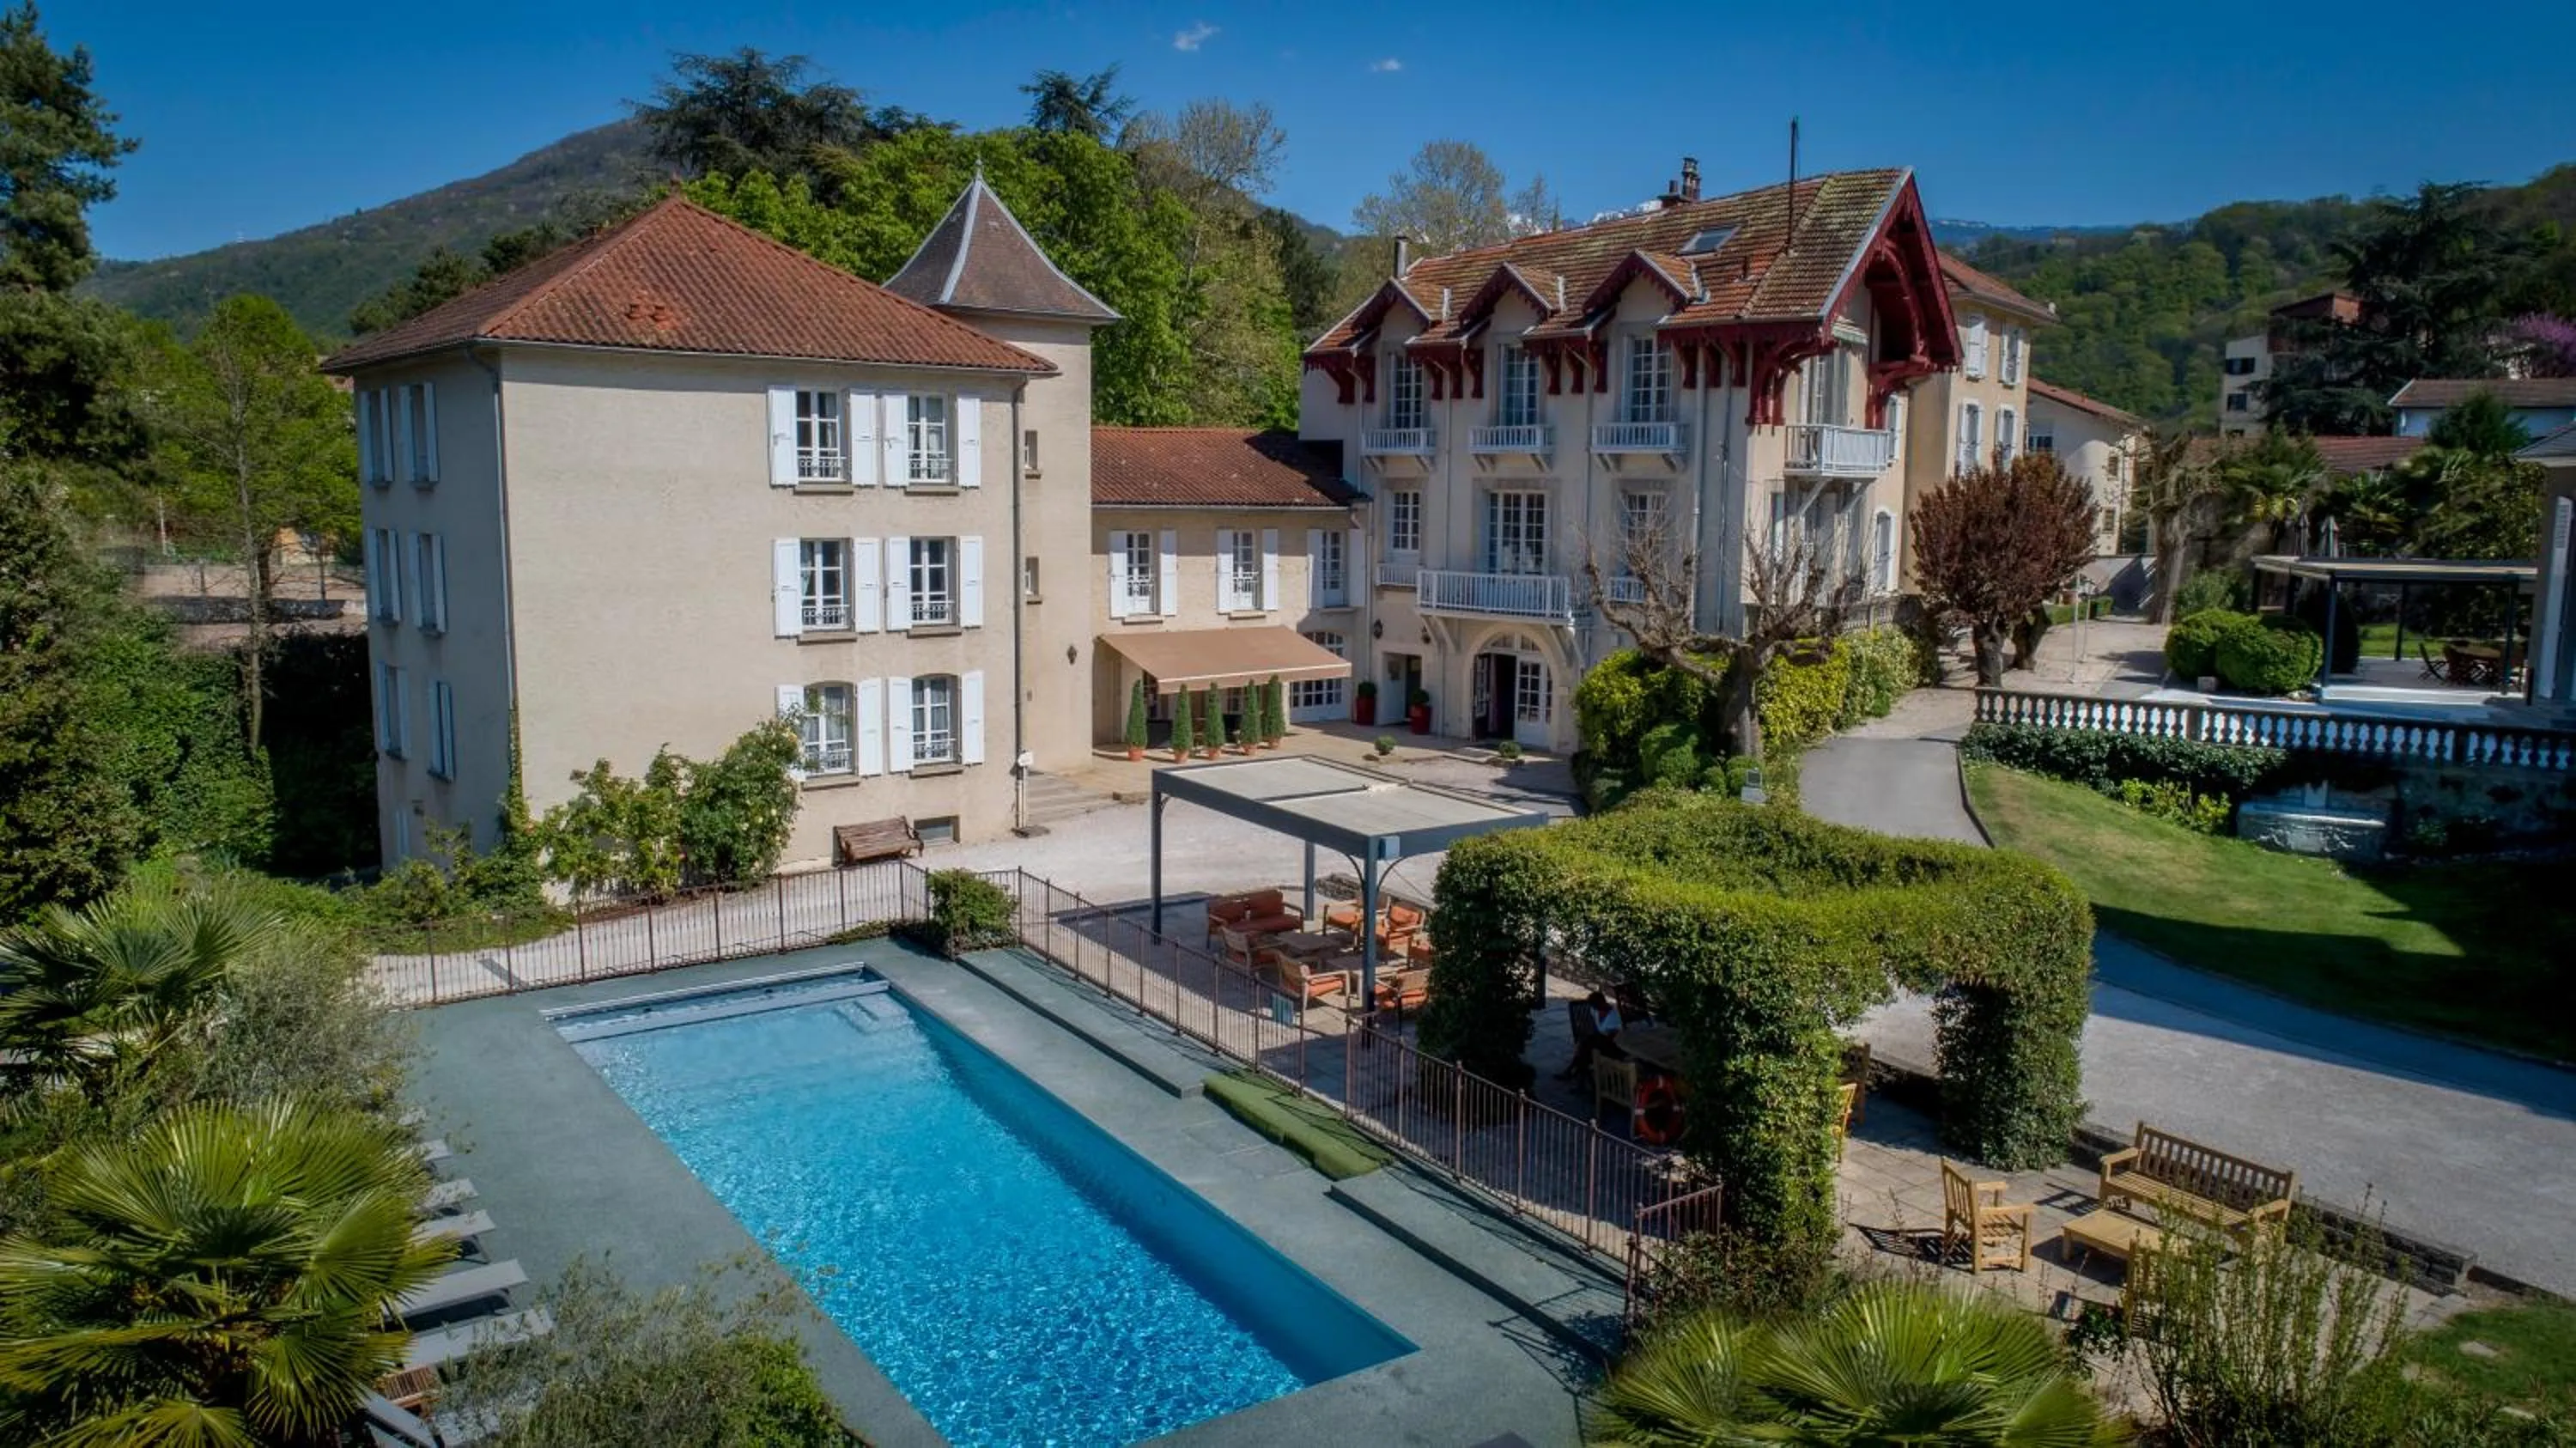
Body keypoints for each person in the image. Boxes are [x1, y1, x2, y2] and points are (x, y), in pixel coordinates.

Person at [1555, 989, 1625, 1080]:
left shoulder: (1613, 1016)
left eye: (1595, 1006)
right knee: (1585, 1047)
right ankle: (1576, 1071)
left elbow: (1615, 1036)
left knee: (1585, 1048)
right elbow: (1593, 1025)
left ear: (1602, 1003)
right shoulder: (1595, 1010)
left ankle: (1573, 1071)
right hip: (1597, 1039)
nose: (1594, 1008)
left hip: (1610, 1044)